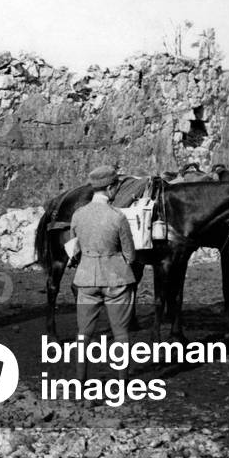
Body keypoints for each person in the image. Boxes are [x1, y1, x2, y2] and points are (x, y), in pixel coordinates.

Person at [69, 165, 136, 386]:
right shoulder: (117, 216)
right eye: (115, 186)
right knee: (121, 333)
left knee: (83, 334)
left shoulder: (78, 215)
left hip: (86, 278)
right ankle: (123, 382)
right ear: (110, 188)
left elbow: (73, 249)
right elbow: (130, 255)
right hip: (116, 279)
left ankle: (80, 381)